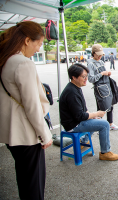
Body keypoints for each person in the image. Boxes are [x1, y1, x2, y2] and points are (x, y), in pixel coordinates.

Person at [0, 21, 53, 200]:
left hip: (11, 133)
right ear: (27, 40)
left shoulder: (5, 59)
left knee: (24, 180)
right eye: (38, 43)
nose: (38, 48)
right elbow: (32, 106)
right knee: (33, 186)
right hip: (26, 134)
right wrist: (45, 134)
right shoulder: (23, 63)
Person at [59, 63, 118, 161]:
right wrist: (96, 113)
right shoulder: (71, 92)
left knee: (98, 120)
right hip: (73, 125)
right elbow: (80, 116)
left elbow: (83, 108)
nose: (86, 79)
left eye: (86, 76)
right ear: (74, 77)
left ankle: (84, 141)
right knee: (104, 124)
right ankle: (105, 152)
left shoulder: (75, 87)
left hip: (75, 121)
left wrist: (94, 116)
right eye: (83, 77)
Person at [87, 44, 118, 131]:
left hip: (107, 85)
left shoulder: (101, 62)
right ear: (93, 53)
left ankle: (110, 123)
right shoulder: (90, 64)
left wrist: (108, 73)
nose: (100, 56)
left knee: (110, 105)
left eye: (101, 54)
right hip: (99, 88)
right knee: (101, 107)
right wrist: (102, 74)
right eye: (98, 54)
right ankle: (99, 126)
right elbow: (91, 79)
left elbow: (104, 73)